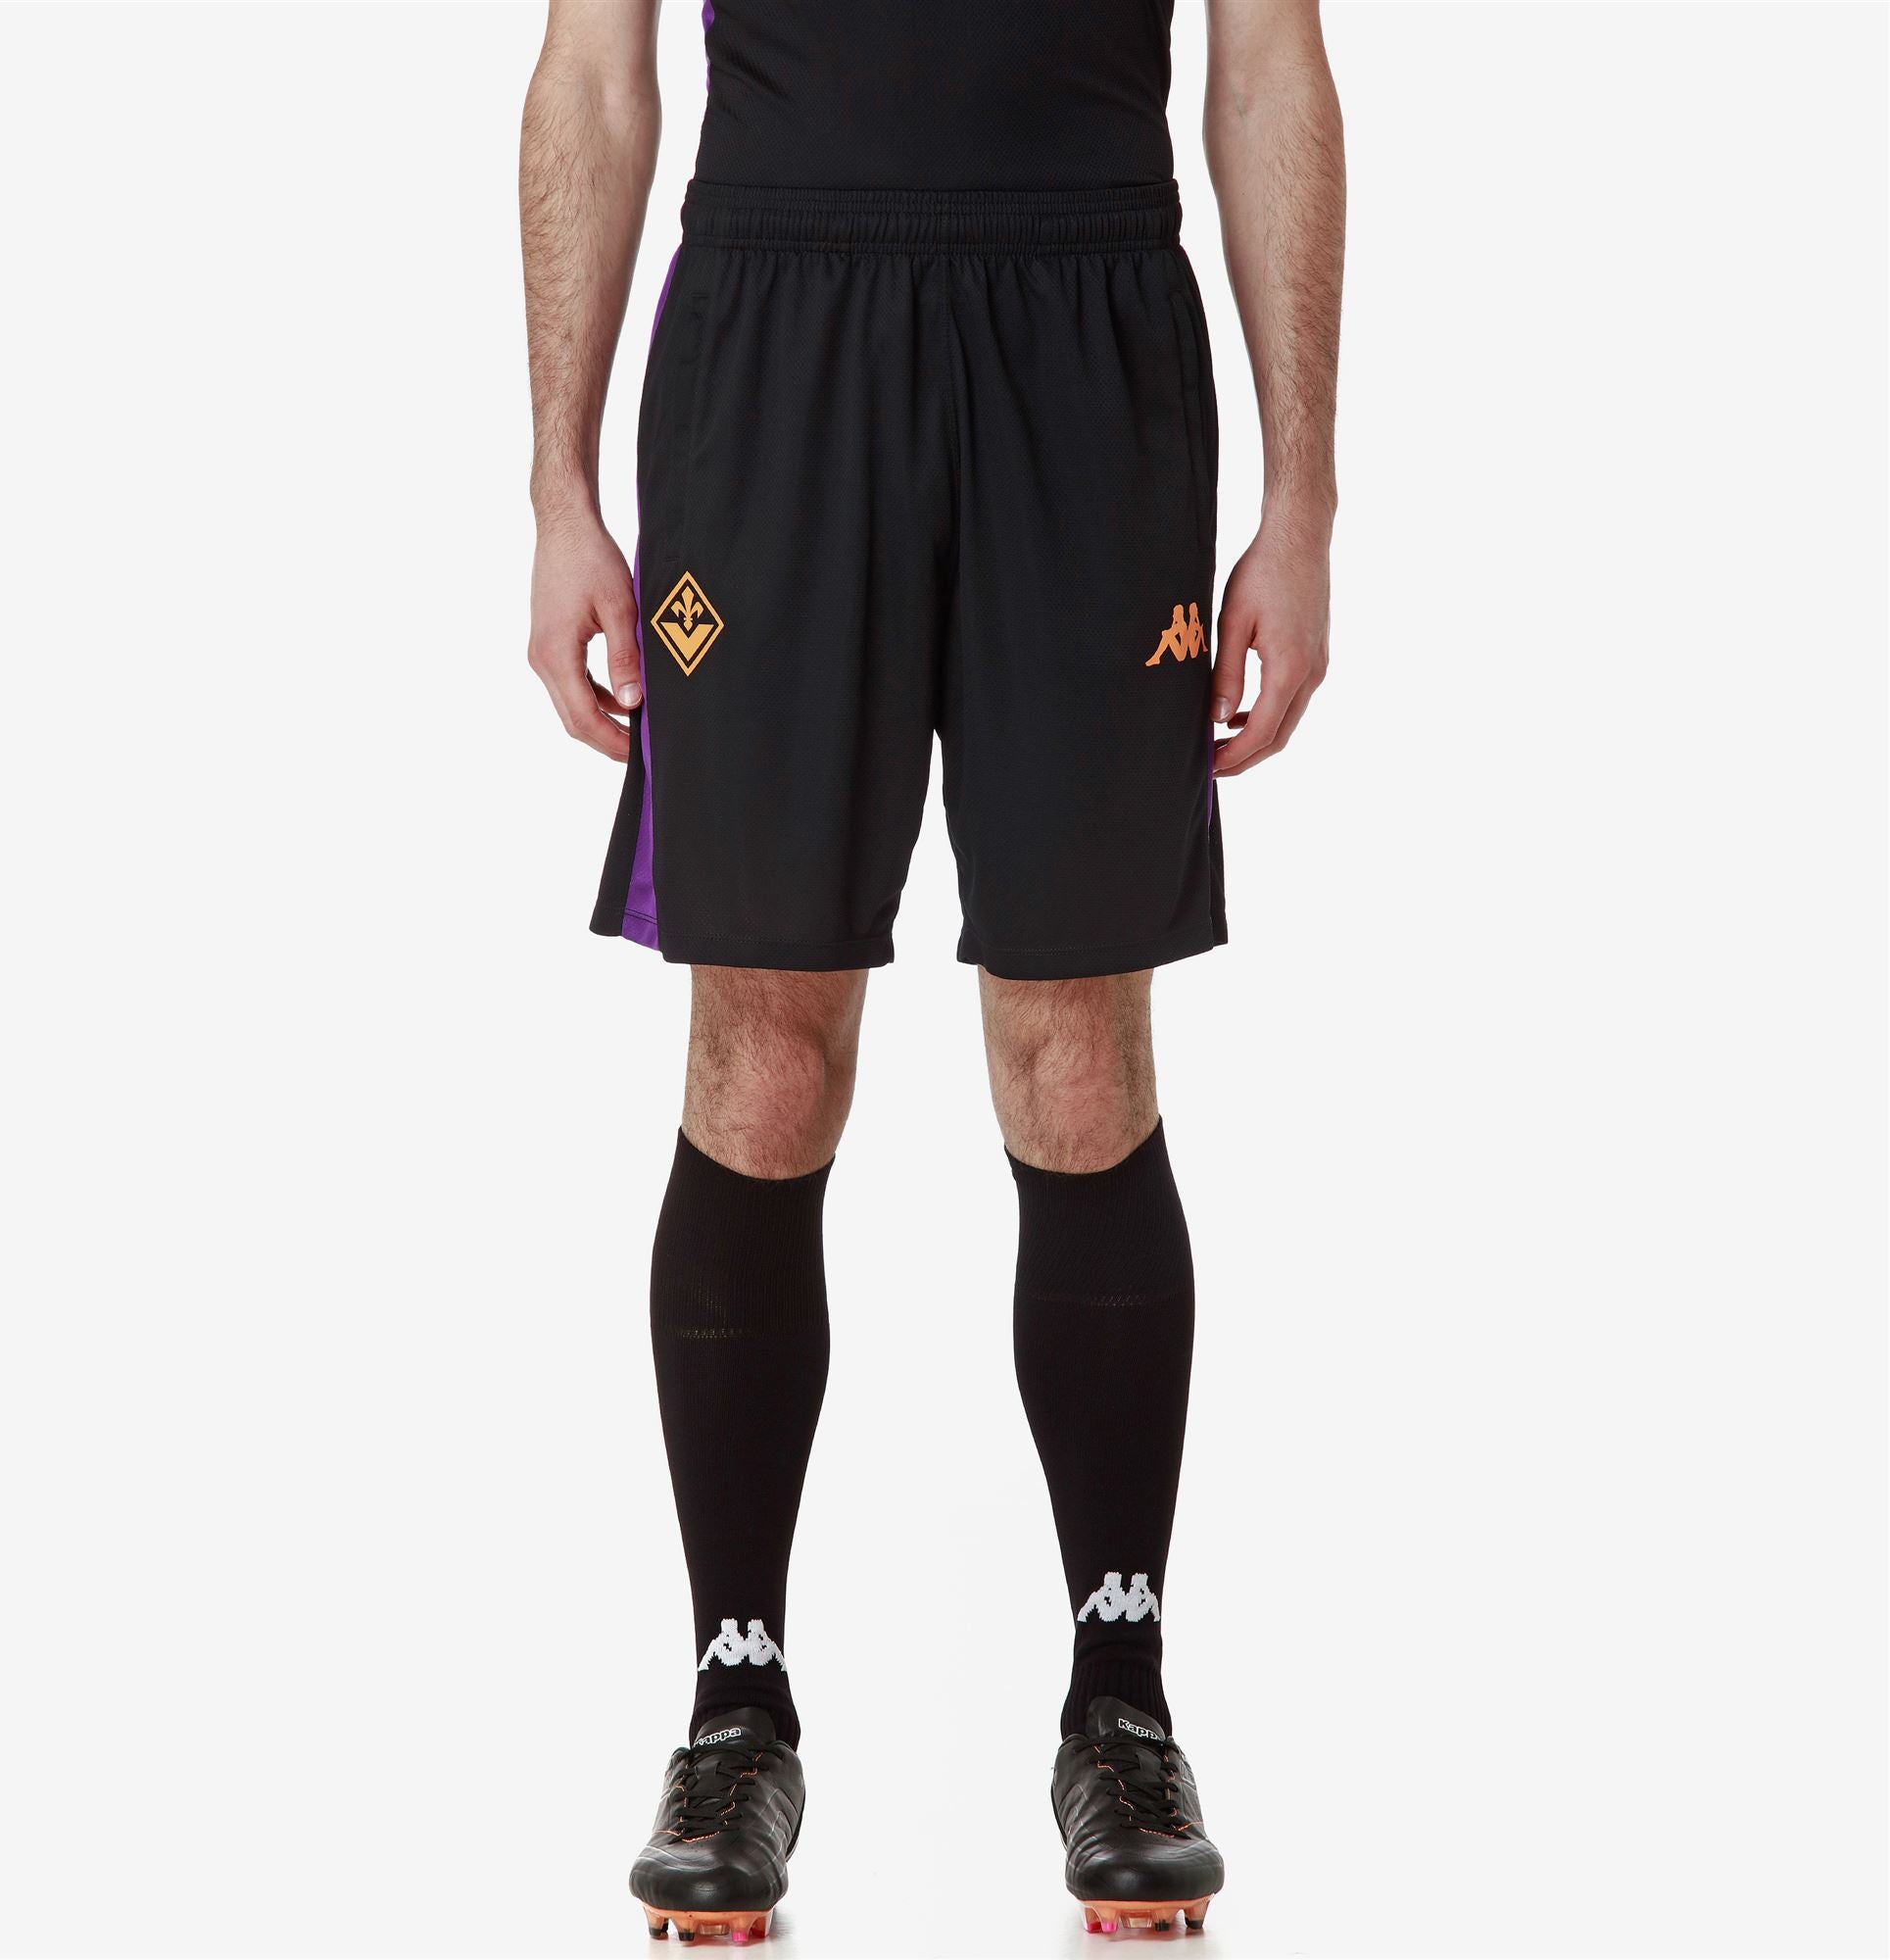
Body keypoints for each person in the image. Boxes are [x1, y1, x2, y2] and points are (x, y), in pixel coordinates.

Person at [519, 0, 1343, 1939]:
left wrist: (1302, 497)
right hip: (776, 329)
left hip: (1087, 332)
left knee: (1080, 1055)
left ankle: (1120, 1701)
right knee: (762, 1058)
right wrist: (556, 483)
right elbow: (593, 69)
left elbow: (1269, 61)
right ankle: (735, 1710)